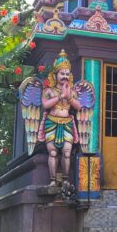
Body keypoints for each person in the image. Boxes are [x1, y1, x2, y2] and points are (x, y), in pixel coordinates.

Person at [38, 50, 82, 185]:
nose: (64, 76)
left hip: (67, 122)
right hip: (52, 122)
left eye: (67, 74)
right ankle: (52, 180)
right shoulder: (49, 91)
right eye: (62, 73)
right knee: (52, 152)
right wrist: (60, 97)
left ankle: (65, 180)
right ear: (55, 75)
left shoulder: (72, 92)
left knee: (67, 152)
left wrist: (68, 97)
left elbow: (79, 107)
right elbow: (45, 105)